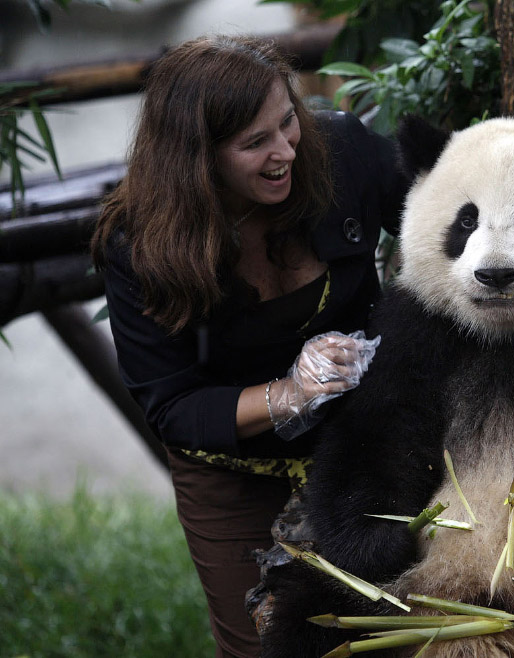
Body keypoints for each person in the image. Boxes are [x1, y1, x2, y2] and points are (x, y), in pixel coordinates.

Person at [90, 34, 407, 657]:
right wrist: (288, 394)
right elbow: (172, 407)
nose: (285, 150)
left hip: (360, 440)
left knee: (393, 626)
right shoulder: (137, 247)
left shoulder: (342, 149)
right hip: (234, 475)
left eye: (287, 121)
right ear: (196, 159)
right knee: (267, 644)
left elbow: (448, 222)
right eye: (254, 143)